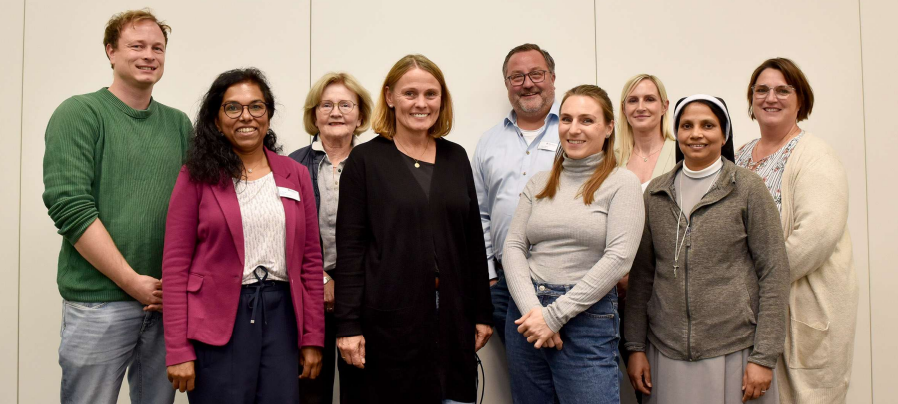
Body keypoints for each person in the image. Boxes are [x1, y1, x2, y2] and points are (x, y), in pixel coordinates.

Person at [42, 9, 191, 404]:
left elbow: (199, 208)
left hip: (164, 304)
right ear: (110, 51)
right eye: (136, 45)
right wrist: (131, 281)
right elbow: (70, 207)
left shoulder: (178, 125)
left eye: (157, 47)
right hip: (99, 305)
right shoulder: (79, 113)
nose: (149, 55)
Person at [333, 54, 493, 404]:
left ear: (442, 99)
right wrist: (348, 326)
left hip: (452, 316)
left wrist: (482, 312)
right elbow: (350, 250)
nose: (421, 103)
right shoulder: (365, 162)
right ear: (390, 96)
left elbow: (472, 241)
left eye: (431, 94)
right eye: (410, 94)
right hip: (388, 319)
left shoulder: (456, 157)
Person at [162, 68, 324, 403]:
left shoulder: (295, 173)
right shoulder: (196, 176)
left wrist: (312, 337)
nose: (245, 116)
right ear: (217, 120)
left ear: (268, 115)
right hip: (219, 320)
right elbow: (175, 266)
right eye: (232, 108)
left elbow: (310, 260)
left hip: (282, 318)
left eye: (256, 106)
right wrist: (178, 348)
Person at [625, 95, 790, 403]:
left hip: (734, 352)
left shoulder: (748, 188)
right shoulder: (656, 194)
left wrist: (764, 356)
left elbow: (775, 274)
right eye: (686, 126)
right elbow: (642, 278)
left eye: (708, 125)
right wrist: (635, 348)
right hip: (666, 351)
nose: (696, 133)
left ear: (724, 134)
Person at [503, 84, 644, 404]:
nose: (574, 128)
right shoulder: (539, 182)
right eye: (566, 119)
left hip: (586, 319)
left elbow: (619, 258)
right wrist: (534, 312)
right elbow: (512, 246)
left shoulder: (623, 183)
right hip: (527, 317)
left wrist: (553, 317)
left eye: (587, 120)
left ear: (609, 127)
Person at [735, 57, 857, 404]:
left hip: (801, 312)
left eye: (782, 90)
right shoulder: (740, 157)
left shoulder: (816, 156)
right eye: (762, 90)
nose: (770, 98)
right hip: (750, 315)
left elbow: (814, 237)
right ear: (752, 100)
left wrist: (750, 281)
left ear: (800, 100)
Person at [289, 72, 373, 404]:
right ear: (314, 114)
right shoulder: (290, 164)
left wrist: (347, 283)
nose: (335, 112)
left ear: (360, 115)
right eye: (326, 105)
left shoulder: (376, 163)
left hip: (365, 291)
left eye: (345, 104)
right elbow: (285, 232)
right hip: (306, 285)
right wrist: (322, 278)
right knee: (310, 388)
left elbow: (382, 234)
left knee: (362, 387)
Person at [472, 43, 560, 345]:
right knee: (524, 380)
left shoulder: (575, 133)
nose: (527, 84)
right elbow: (479, 213)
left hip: (560, 279)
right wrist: (489, 276)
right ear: (507, 84)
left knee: (570, 372)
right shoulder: (488, 142)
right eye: (517, 77)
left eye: (536, 74)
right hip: (502, 284)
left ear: (552, 77)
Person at [614, 74, 676, 404]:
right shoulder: (611, 159)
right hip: (622, 292)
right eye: (633, 100)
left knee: (667, 384)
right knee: (636, 382)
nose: (641, 107)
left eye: (650, 99)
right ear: (623, 109)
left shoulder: (682, 151)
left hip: (667, 288)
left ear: (665, 106)